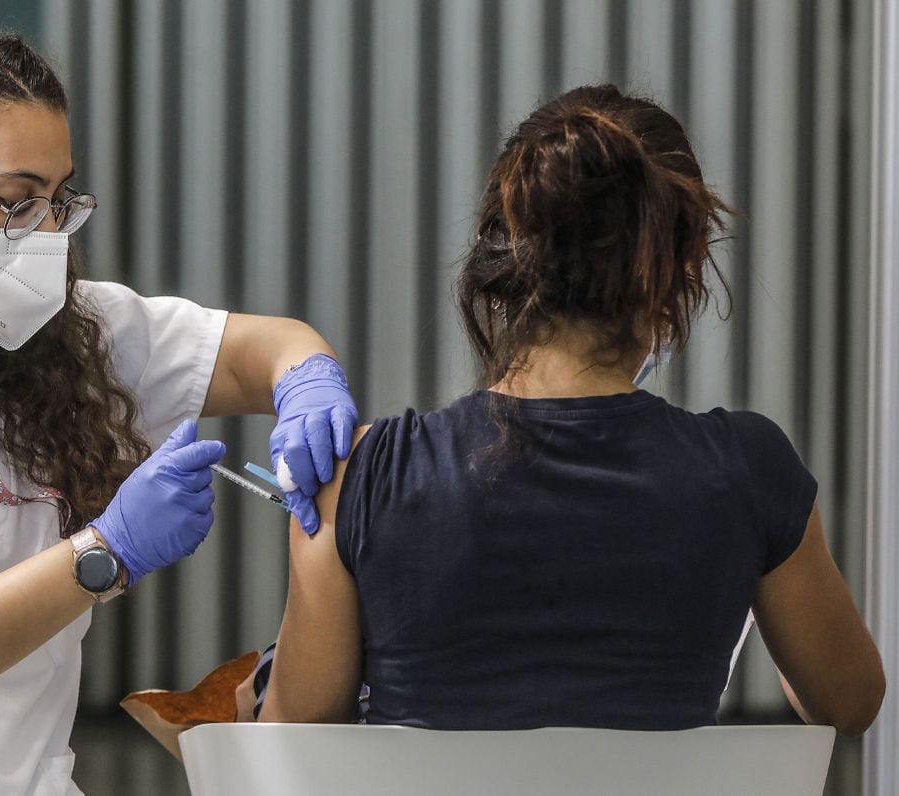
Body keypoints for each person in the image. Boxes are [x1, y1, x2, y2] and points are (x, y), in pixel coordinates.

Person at [0, 24, 356, 795]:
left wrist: (307, 384)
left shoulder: (49, 342)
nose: (41, 235)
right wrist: (104, 554)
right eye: (14, 202)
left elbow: (266, 346)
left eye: (56, 201)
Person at [255, 86, 885, 736]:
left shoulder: (360, 475)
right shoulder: (751, 472)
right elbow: (850, 703)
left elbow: (293, 741)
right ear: (676, 268)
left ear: (504, 255)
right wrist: (751, 548)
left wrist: (264, 686)